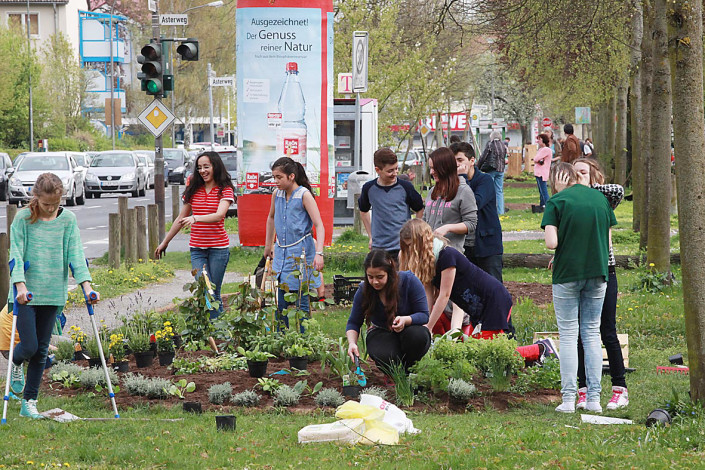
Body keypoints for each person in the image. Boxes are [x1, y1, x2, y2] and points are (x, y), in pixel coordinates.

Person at [8, 173, 99, 419]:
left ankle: (30, 403)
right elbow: (15, 254)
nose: (50, 209)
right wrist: (20, 287)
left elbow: (76, 256)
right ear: (35, 197)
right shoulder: (23, 219)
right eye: (46, 204)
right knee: (29, 346)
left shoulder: (68, 220)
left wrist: (87, 287)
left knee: (41, 352)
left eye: (55, 204)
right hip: (24, 293)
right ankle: (15, 362)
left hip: (53, 293)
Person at [542, 163, 617, 413]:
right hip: (598, 273)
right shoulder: (600, 199)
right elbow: (607, 242)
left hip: (567, 275)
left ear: (557, 179)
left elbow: (552, 243)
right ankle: (594, 399)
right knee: (592, 333)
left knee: (568, 335)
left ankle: (568, 399)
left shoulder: (556, 202)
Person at [573, 158, 628, 410]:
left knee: (607, 330)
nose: (578, 177)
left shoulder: (604, 198)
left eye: (583, 172)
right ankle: (583, 389)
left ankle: (619, 389)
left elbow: (618, 190)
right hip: (578, 271)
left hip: (605, 270)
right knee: (581, 335)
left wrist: (588, 186)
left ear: (595, 176)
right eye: (575, 174)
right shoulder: (571, 201)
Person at [155, 151, 235, 319]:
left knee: (214, 292)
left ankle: (218, 335)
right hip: (197, 249)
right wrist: (165, 242)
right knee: (206, 290)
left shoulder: (224, 189)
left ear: (215, 167)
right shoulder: (194, 189)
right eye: (199, 168)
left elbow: (220, 215)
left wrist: (196, 218)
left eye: (207, 167)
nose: (203, 171)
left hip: (218, 249)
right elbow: (180, 218)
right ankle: (220, 334)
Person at [399, 219, 511, 336]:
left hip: (494, 300)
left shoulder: (447, 255)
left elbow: (444, 296)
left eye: (412, 245)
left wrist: (429, 327)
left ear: (422, 241)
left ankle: (530, 351)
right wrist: (423, 321)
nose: (411, 251)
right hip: (477, 309)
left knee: (490, 350)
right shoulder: (430, 263)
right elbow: (429, 297)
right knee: (479, 350)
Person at [264, 157, 324, 331]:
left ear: (291, 176)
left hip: (301, 253)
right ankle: (281, 339)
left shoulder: (304, 195)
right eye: (273, 177)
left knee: (301, 301)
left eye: (279, 177)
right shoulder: (277, 194)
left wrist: (319, 253)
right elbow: (271, 217)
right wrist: (268, 245)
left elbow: (319, 225)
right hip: (281, 253)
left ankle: (303, 341)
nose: (275, 181)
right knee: (279, 301)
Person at [346, 250, 431, 372]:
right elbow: (353, 322)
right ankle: (393, 373)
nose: (375, 282)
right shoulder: (364, 290)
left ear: (389, 272)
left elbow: (424, 315)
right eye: (370, 277)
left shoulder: (409, 281)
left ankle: (411, 369)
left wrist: (405, 320)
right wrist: (352, 343)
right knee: (385, 355)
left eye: (380, 277)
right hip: (381, 332)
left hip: (409, 330)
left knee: (418, 336)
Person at [449, 141, 504, 282]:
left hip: (487, 245)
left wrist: (462, 178)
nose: (456, 164)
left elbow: (474, 204)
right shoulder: (452, 183)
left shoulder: (485, 180)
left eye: (460, 160)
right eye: (453, 161)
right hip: (464, 245)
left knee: (493, 288)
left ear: (472, 160)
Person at [359, 148, 424, 258]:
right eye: (390, 171)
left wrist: (414, 233)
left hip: (402, 247)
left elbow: (419, 209)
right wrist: (371, 236)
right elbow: (363, 211)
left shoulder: (405, 187)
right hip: (379, 247)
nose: (395, 173)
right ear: (378, 170)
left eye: (396, 169)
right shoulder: (369, 188)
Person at [423, 147, 477, 252]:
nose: (431, 172)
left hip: (450, 255)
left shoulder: (463, 191)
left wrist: (447, 228)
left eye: (435, 168)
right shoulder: (432, 191)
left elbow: (471, 224)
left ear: (446, 168)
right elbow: (425, 219)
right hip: (428, 255)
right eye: (430, 168)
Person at [477, 130, 507, 214]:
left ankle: (488, 210)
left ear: (492, 137)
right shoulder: (503, 145)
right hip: (500, 170)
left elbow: (483, 156)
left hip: (491, 169)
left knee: (488, 190)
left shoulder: (490, 144)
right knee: (499, 191)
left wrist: (478, 167)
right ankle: (500, 211)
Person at [533, 133, 553, 207]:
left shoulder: (546, 150)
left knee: (544, 191)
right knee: (541, 191)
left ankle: (548, 205)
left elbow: (536, 159)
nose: (538, 141)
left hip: (542, 172)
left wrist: (536, 160)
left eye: (539, 139)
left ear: (543, 140)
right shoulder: (541, 149)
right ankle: (542, 205)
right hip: (539, 172)